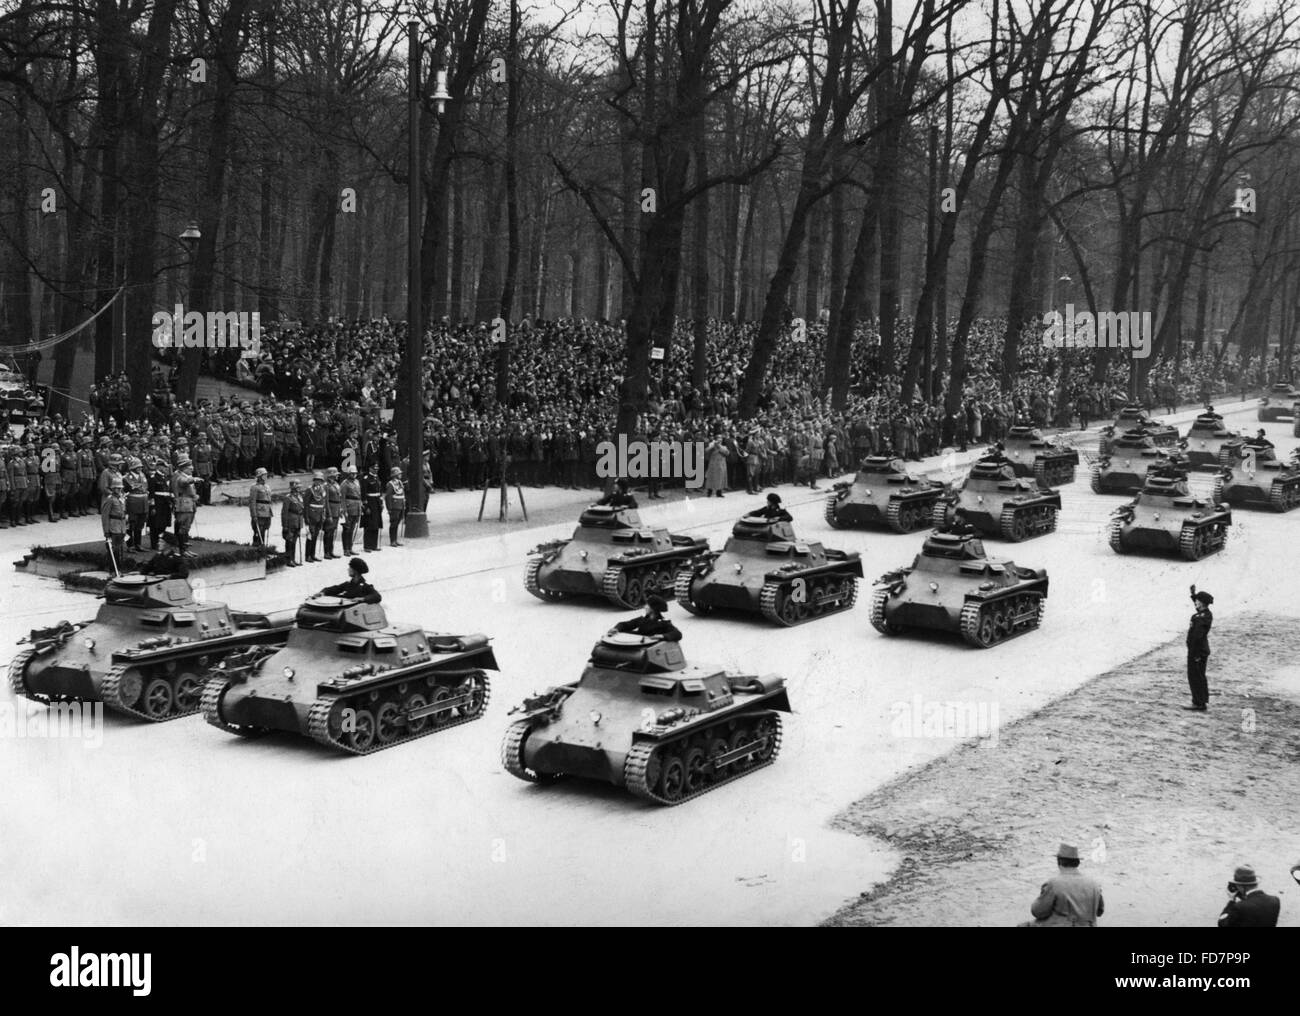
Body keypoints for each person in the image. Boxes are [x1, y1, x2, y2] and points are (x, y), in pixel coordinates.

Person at [1021, 844, 1105, 927]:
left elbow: (1037, 912)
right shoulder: (1094, 884)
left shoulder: (1054, 883)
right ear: (1078, 863)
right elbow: (1099, 911)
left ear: (1059, 861)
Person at [1186, 586, 1213, 711]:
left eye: (1197, 601)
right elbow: (1198, 607)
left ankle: (1199, 702)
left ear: (1202, 603)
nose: (1195, 602)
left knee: (1195, 676)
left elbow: (1197, 636)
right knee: (1199, 675)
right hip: (1199, 650)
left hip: (1197, 651)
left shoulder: (1201, 617)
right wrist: (1193, 594)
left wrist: (1195, 654)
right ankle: (1201, 701)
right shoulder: (1205, 614)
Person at [611, 594, 681, 642]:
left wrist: (662, 636)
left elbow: (677, 633)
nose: (645, 607)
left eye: (647, 605)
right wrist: (616, 628)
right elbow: (626, 624)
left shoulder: (663, 623)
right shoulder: (643, 619)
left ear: (653, 608)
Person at [101, 478, 127, 573]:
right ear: (112, 489)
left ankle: (119, 569)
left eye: (120, 488)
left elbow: (124, 513)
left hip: (121, 528)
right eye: (117, 488)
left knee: (120, 550)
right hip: (113, 528)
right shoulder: (110, 500)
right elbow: (105, 516)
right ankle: (113, 570)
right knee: (113, 551)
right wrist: (106, 531)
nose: (119, 490)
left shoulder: (121, 498)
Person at [303, 472, 326, 563]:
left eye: (320, 480)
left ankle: (313, 554)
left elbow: (323, 502)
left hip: (319, 515)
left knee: (316, 535)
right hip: (311, 515)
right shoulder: (310, 490)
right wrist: (306, 517)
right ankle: (307, 555)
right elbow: (306, 504)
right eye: (317, 480)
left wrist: (323, 514)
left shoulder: (322, 489)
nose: (318, 482)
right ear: (314, 480)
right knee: (310, 536)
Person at [280, 480, 304, 567]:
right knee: (289, 541)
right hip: (291, 521)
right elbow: (284, 513)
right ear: (293, 488)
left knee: (294, 541)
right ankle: (288, 559)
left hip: (298, 521)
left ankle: (293, 559)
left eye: (299, 487)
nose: (299, 489)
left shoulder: (300, 497)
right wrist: (285, 525)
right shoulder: (288, 497)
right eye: (297, 487)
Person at [362, 461, 383, 552]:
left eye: (377, 468)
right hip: (370, 502)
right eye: (374, 468)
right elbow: (363, 494)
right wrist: (366, 506)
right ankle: (367, 545)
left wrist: (381, 502)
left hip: (377, 502)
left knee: (376, 524)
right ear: (370, 468)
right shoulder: (366, 479)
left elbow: (380, 491)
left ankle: (374, 545)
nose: (376, 470)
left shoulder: (377, 477)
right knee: (369, 524)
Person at [341, 466, 362, 556]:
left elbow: (359, 495)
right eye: (352, 473)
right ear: (348, 474)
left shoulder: (357, 482)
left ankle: (350, 547)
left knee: (352, 528)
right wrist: (344, 509)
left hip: (356, 506)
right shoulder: (345, 483)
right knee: (347, 529)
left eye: (355, 473)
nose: (354, 475)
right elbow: (342, 497)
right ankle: (345, 549)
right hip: (349, 506)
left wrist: (360, 507)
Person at [249, 467, 272, 546]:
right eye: (264, 475)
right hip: (259, 512)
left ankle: (262, 547)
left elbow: (269, 500)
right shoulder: (255, 487)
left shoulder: (267, 487)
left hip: (267, 512)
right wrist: (254, 514)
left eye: (266, 475)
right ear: (259, 476)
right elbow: (252, 502)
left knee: (264, 530)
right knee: (258, 531)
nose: (266, 476)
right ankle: (256, 547)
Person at [383, 467, 406, 547]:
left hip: (400, 505)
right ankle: (392, 540)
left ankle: (395, 540)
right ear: (395, 475)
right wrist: (389, 508)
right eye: (399, 474)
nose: (400, 475)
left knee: (397, 523)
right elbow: (388, 497)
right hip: (394, 506)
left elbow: (402, 493)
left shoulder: (400, 482)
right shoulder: (390, 484)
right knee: (393, 523)